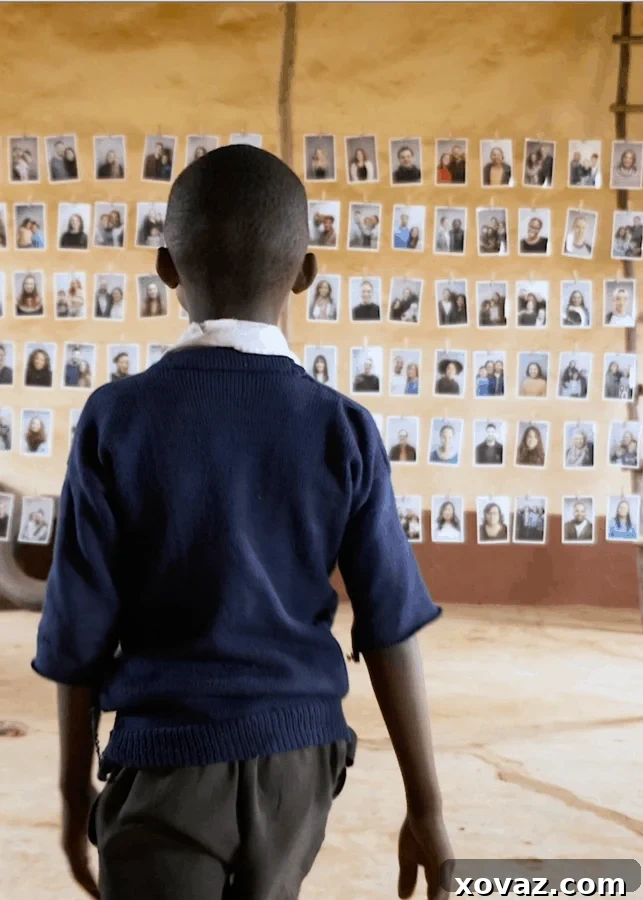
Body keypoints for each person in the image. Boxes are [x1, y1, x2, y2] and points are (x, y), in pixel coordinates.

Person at [31, 145, 451, 900]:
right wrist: (428, 807)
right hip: (301, 764)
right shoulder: (342, 428)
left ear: (166, 269)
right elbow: (389, 626)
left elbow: (75, 633)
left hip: (166, 759)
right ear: (305, 273)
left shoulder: (117, 420)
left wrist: (70, 798)